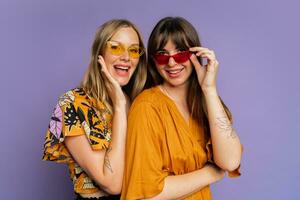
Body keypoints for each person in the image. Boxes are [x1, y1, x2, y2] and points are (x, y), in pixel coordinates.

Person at [121, 16, 242, 200]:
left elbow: (231, 161)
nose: (171, 63)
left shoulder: (205, 102)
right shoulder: (146, 107)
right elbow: (145, 195)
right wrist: (210, 174)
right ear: (154, 60)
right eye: (162, 55)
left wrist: (209, 90)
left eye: (181, 54)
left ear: (196, 55)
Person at [42, 19, 147, 199]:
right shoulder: (72, 103)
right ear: (100, 53)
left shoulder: (140, 102)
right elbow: (112, 184)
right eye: (116, 47)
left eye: (133, 50)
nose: (126, 57)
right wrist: (120, 107)